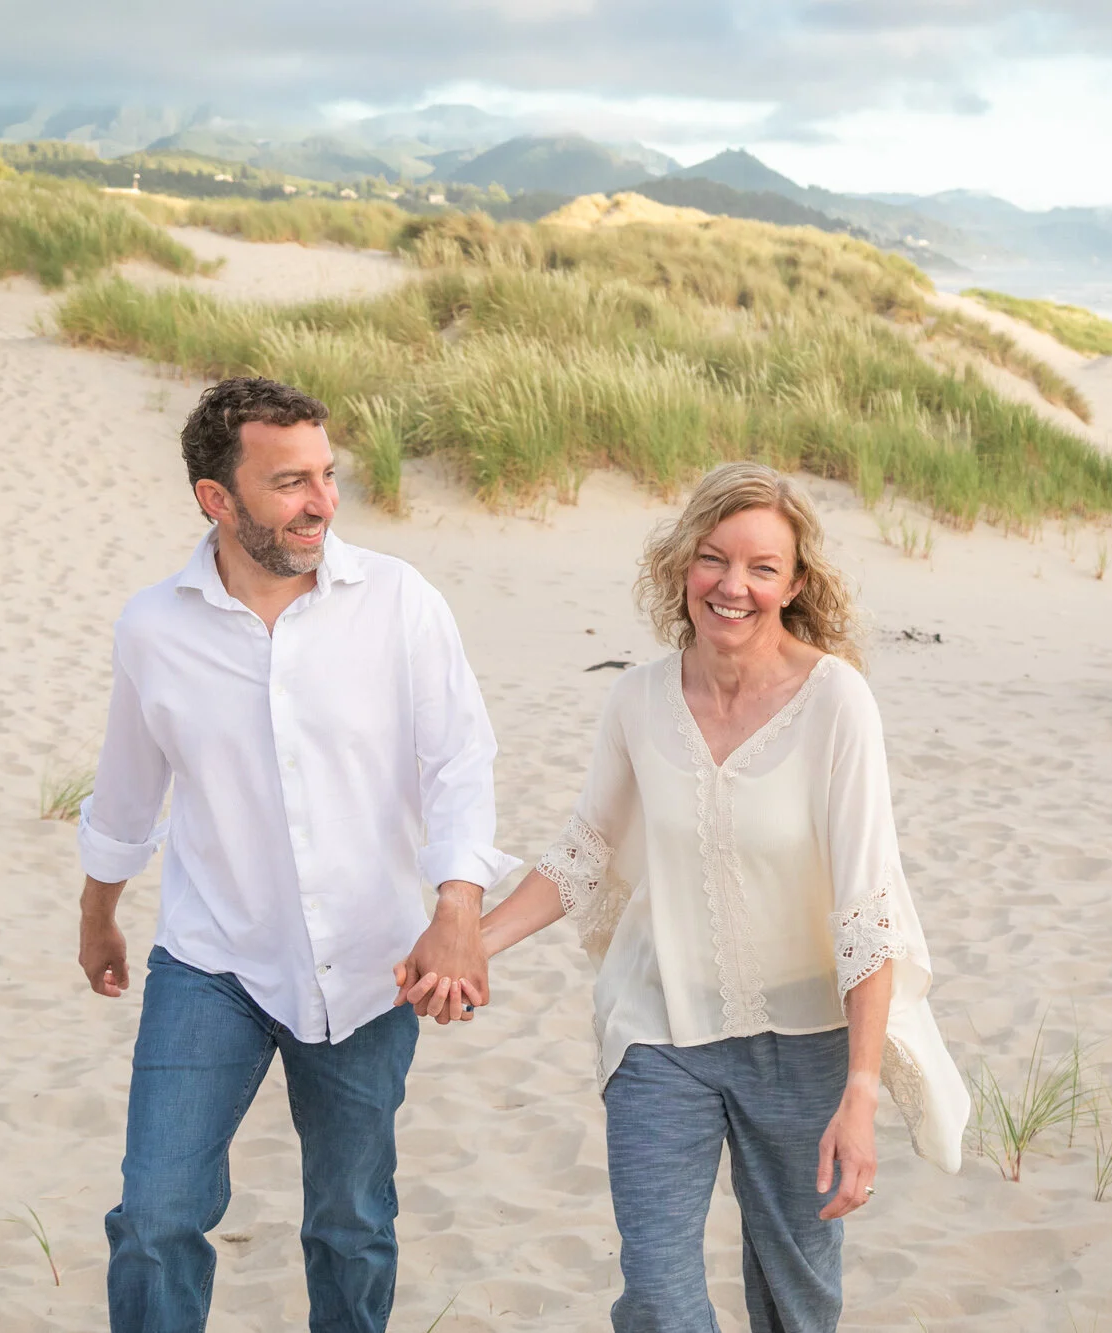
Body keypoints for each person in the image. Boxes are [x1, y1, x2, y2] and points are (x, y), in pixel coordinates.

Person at [406, 461, 968, 1332]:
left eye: (761, 568)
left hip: (805, 1041)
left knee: (797, 1295)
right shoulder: (636, 699)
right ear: (681, 565)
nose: (732, 586)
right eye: (712, 559)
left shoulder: (836, 704)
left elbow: (867, 914)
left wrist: (859, 1091)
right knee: (661, 1296)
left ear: (795, 584)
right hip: (658, 1030)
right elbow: (584, 854)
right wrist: (468, 938)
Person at [76, 377, 519, 1333]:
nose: (322, 502)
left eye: (326, 475)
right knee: (155, 1217)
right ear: (216, 499)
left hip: (371, 966)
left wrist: (456, 909)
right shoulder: (154, 627)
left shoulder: (398, 602)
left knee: (350, 1223)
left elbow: (459, 763)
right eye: (289, 482)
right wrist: (98, 914)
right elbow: (126, 792)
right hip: (213, 963)